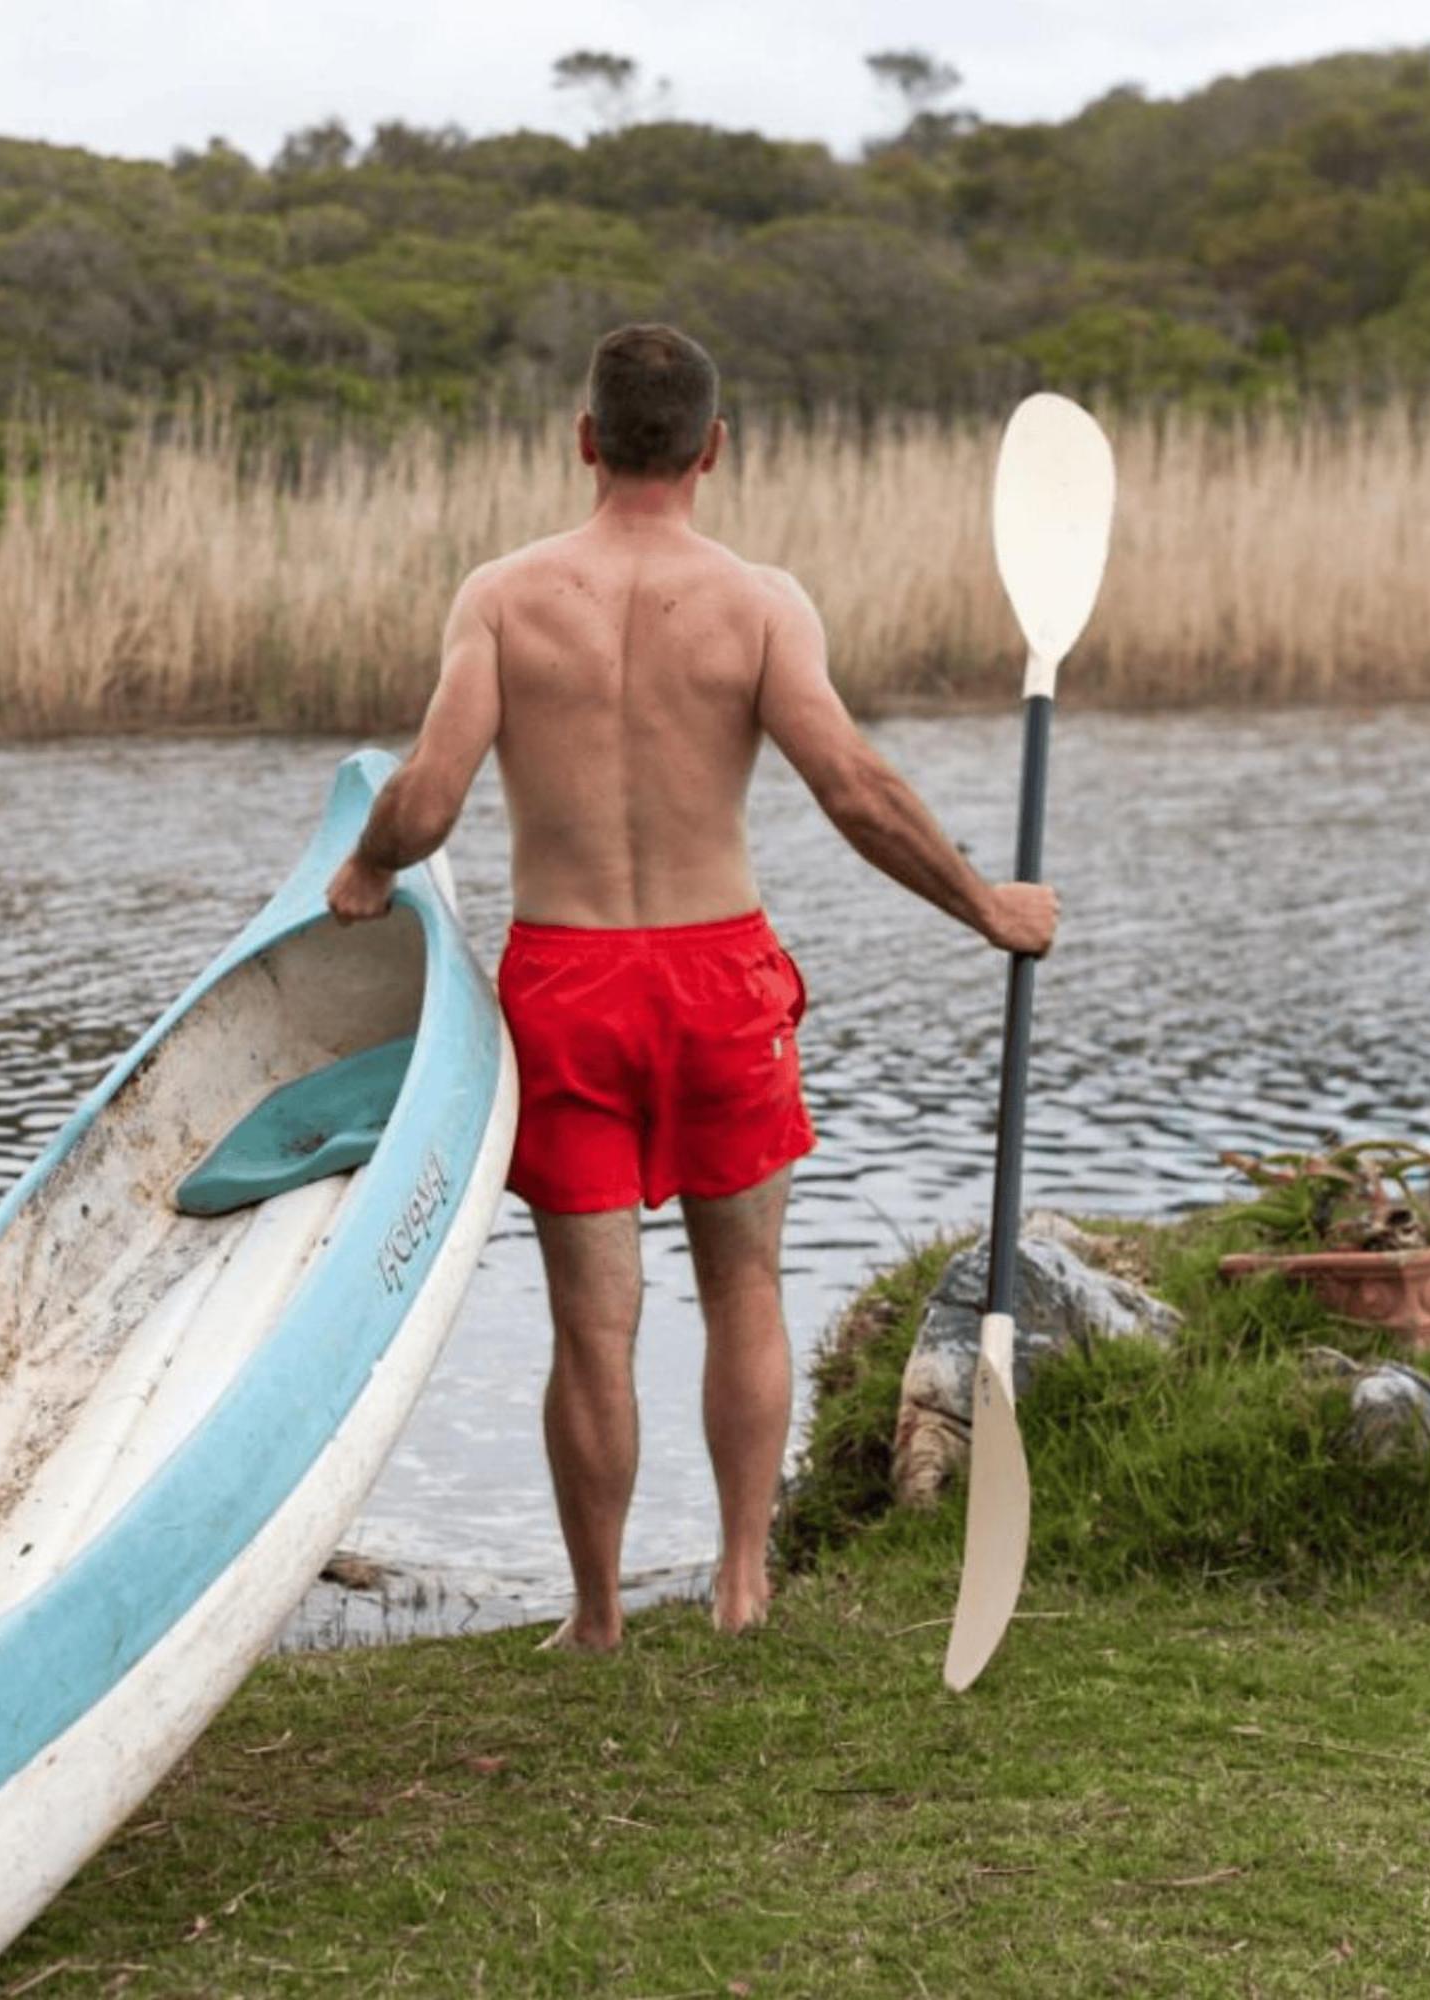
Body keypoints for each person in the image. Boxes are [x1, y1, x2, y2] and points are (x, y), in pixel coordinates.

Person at [326, 323, 1058, 1652]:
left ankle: (597, 1618)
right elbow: (855, 791)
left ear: (586, 439)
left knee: (590, 1323)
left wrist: (367, 869)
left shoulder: (502, 596)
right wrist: (986, 908)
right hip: (723, 977)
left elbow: (427, 801)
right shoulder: (762, 604)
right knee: (746, 1290)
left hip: (568, 982)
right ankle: (739, 1580)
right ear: (715, 448)